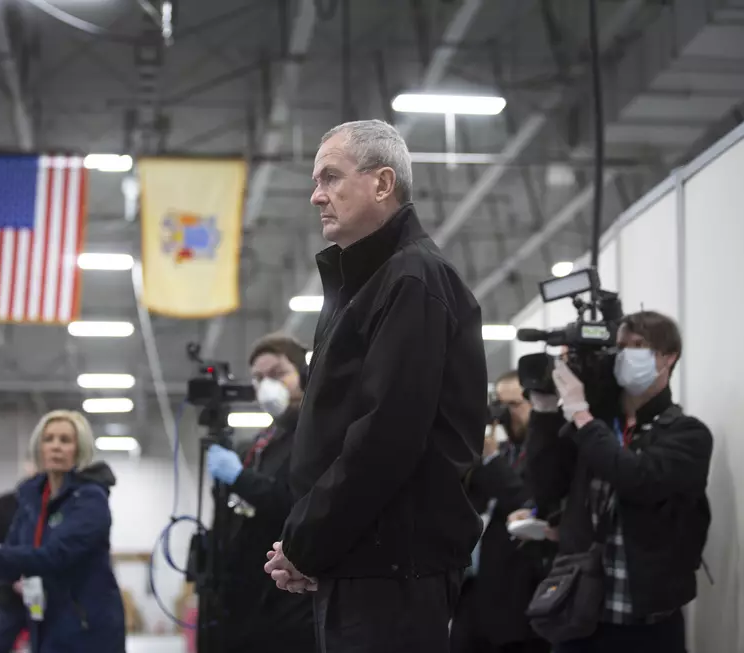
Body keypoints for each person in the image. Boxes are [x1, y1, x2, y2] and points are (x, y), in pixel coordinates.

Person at [263, 119, 488, 653]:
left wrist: (307, 541)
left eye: (331, 178)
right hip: (363, 561)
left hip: (393, 572)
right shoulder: (367, 283)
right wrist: (314, 547)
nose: (317, 196)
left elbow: (385, 438)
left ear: (383, 184)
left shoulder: (412, 279)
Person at [521, 311, 712, 652]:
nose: (625, 354)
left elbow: (638, 479)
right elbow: (545, 486)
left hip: (647, 621)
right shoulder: (594, 427)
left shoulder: (688, 434)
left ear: (669, 357)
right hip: (579, 611)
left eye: (638, 345)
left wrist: (581, 413)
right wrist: (545, 413)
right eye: (619, 346)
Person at [0, 410, 126, 653]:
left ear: (79, 448)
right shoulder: (30, 498)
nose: (55, 447)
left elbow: (56, 555)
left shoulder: (90, 500)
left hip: (87, 630)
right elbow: (13, 551)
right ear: (39, 447)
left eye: (65, 440)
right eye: (48, 439)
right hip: (45, 624)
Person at [204, 333, 314, 653]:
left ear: (303, 376)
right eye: (258, 378)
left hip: (291, 598)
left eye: (278, 374)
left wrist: (240, 478)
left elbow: (292, 502)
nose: (267, 385)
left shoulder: (314, 435)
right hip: (248, 599)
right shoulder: (260, 441)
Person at [450, 376, 552, 653]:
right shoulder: (497, 452)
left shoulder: (547, 453)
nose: (506, 414)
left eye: (514, 405)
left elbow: (528, 502)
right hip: (473, 595)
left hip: (518, 600)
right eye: (500, 405)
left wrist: (492, 460)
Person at [0, 461, 37, 653]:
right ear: (27, 465)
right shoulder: (6, 503)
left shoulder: (55, 504)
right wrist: (14, 580)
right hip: (9, 594)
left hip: (44, 595)